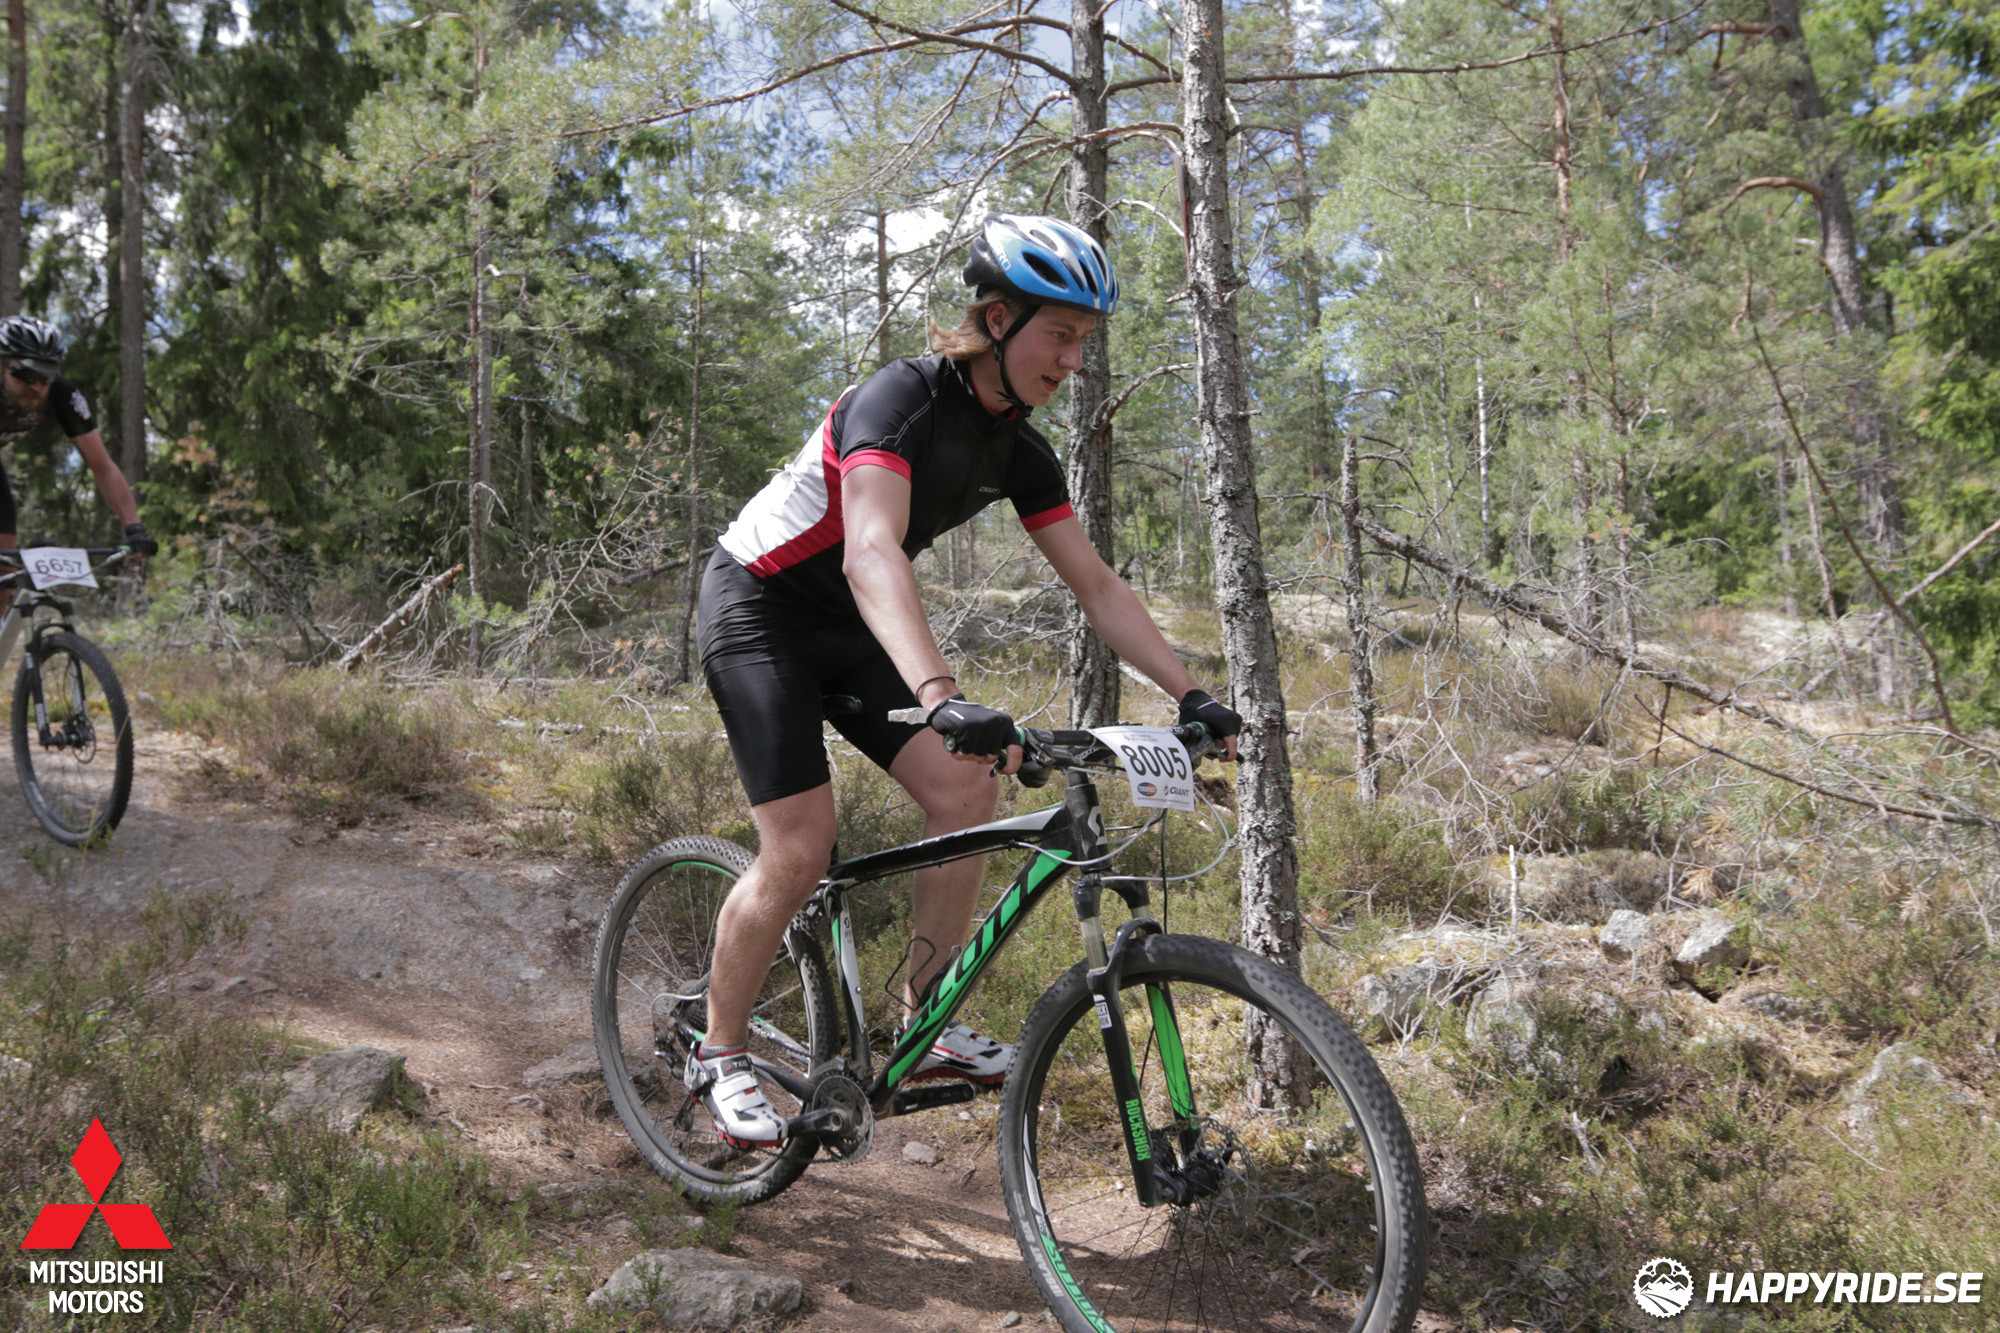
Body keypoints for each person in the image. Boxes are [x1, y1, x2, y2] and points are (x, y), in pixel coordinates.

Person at [687, 213, 1243, 1146]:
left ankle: (923, 1020)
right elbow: (870, 548)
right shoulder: (899, 400)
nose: (1074, 360)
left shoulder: (1019, 448)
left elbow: (1098, 587)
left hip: (849, 624)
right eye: (1059, 334)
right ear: (996, 319)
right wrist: (941, 696)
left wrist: (1190, 693)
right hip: (760, 606)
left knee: (965, 790)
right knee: (801, 847)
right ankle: (720, 1050)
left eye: (1084, 340)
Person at [0, 316, 151, 583]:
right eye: (26, 375)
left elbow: (102, 465)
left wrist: (134, 528)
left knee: (4, 570)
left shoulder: (61, 395)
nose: (36, 386)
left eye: (46, 377)